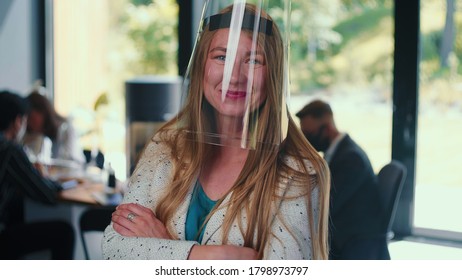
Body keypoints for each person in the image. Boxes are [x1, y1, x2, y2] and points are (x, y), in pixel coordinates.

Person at [103, 2, 330, 260]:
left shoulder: (298, 172)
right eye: (222, 57)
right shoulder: (165, 146)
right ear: (201, 67)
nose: (234, 76)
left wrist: (162, 245)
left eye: (253, 60)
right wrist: (212, 256)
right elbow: (114, 250)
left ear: (274, 75)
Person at [296, 99, 382, 259]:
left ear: (327, 128)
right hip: (344, 234)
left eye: (309, 135)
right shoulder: (339, 153)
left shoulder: (351, 158)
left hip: (350, 241)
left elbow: (327, 204)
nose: (306, 141)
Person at [0, 90, 75, 260]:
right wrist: (40, 176)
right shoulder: (9, 150)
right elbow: (46, 194)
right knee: (64, 232)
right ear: (18, 122)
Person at [23, 90, 85, 164]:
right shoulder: (37, 138)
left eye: (31, 118)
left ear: (43, 111)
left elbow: (74, 163)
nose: (29, 123)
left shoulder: (67, 130)